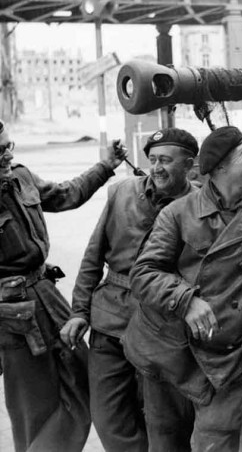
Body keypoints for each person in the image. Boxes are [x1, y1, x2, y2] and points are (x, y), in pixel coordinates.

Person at [124, 126, 242, 452]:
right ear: (219, 167)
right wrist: (186, 301)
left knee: (216, 444)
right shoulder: (177, 213)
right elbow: (143, 273)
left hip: (227, 351)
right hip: (169, 345)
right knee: (165, 440)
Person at [60, 128, 200, 452]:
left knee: (168, 422)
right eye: (152, 160)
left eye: (166, 160)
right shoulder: (122, 192)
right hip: (111, 317)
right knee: (108, 417)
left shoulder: (199, 206)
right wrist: (79, 312)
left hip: (163, 326)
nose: (157, 167)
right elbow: (93, 257)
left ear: (189, 164)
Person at [0, 119, 125, 452]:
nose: (6, 158)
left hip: (46, 295)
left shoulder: (20, 177)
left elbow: (65, 195)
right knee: (33, 404)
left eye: (8, 147)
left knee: (82, 378)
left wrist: (105, 167)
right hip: (12, 315)